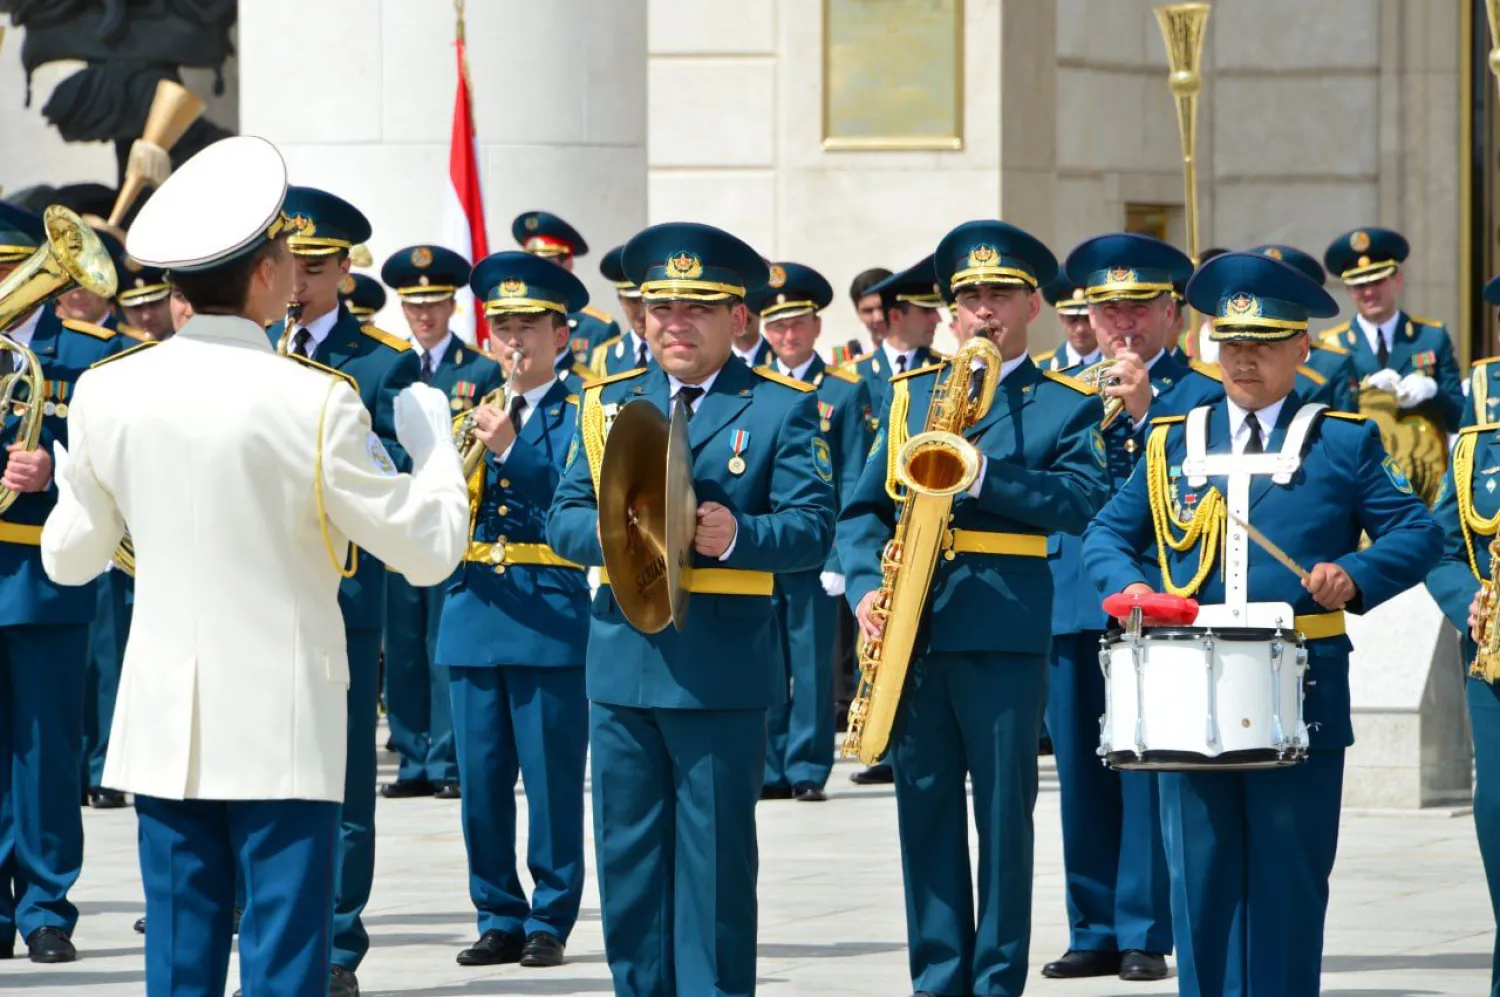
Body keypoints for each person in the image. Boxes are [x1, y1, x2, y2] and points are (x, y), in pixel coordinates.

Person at [38, 134, 470, 997]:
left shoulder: (108, 390)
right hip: (283, 723)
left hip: (166, 726)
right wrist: (437, 453)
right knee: (283, 961)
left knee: (179, 961)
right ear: (269, 274)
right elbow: (426, 552)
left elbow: (70, 557)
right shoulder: (316, 400)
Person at [1083, 250, 1441, 997]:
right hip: (1189, 694)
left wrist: (1356, 573)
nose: (1243, 359)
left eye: (1265, 342)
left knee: (1287, 885)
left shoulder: (1340, 441)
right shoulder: (1176, 439)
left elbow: (1418, 532)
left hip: (1300, 696)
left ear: (1301, 347)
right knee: (1201, 886)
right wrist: (1135, 589)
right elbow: (1107, 537)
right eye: (1230, 342)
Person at [547, 221, 835, 996]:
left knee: (713, 871)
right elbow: (564, 517)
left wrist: (739, 532)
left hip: (719, 672)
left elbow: (812, 527)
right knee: (630, 870)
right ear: (641, 317)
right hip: (622, 666)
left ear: (737, 319)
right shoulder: (606, 404)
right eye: (662, 307)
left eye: (697, 308)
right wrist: (627, 527)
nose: (676, 323)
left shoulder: (779, 408)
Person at [839, 220, 1111, 997]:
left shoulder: (1063, 402)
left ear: (1034, 304)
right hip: (916, 631)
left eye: (998, 294)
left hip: (1001, 628)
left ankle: (995, 980)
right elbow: (860, 514)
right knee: (921, 810)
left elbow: (1081, 500)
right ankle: (937, 976)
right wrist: (865, 589)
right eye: (967, 296)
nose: (981, 309)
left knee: (1002, 817)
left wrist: (985, 474)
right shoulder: (909, 397)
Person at [270, 185, 423, 997]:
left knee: (343, 777)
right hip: (258, 587)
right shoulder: (250, 347)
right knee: (259, 774)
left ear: (343, 269)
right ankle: (270, 934)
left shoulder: (381, 359)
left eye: (316, 265)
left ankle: (335, 945)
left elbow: (395, 468)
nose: (297, 279)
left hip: (345, 591)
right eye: (287, 262)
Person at [437, 251, 592, 970]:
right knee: (482, 783)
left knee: (553, 781)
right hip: (472, 608)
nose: (513, 339)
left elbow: (575, 498)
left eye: (528, 325)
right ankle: (497, 910)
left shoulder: (587, 409)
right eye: (502, 325)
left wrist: (514, 448)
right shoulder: (471, 400)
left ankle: (550, 917)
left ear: (563, 333)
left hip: (549, 615)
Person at [0, 200, 126, 964]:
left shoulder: (89, 354)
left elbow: (113, 461)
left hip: (45, 574)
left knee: (47, 752)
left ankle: (47, 906)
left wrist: (56, 469)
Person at [374, 244, 499, 801]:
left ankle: (447, 757)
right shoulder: (391, 366)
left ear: (452, 306)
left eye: (435, 304)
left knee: (440, 642)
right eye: (414, 305)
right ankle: (411, 756)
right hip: (401, 518)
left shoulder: (480, 369)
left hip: (455, 523)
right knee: (401, 644)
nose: (424, 315)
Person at [751, 263, 873, 803]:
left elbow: (851, 474)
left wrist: (841, 555)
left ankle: (806, 765)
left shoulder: (843, 392)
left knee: (813, 663)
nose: (788, 336)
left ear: (817, 327)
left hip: (816, 549)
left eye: (798, 324)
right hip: (762, 545)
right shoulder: (755, 386)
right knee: (766, 659)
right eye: (777, 326)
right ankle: (770, 764)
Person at [1426, 301, 1500, 994]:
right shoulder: (1479, 444)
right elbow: (1440, 549)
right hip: (1495, 659)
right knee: (1498, 811)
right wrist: (1466, 603)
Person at [1321, 227, 1462, 432]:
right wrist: (1363, 392)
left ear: (1398, 280)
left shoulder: (1431, 338)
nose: (1369, 292)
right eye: (1359, 285)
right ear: (1348, 290)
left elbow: (1461, 419)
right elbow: (1324, 422)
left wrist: (1433, 391)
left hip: (1420, 460)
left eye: (1377, 281)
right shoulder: (1333, 345)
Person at [1243, 245, 1359, 413]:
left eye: (1283, 300)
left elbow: (1347, 432)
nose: (1273, 309)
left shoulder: (1333, 365)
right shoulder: (1238, 363)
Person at [512, 209, 620, 357]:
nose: (537, 271)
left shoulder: (597, 330)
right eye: (530, 263)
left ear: (568, 263)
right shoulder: (510, 324)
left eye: (546, 263)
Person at [845, 257, 944, 415]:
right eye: (927, 310)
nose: (938, 319)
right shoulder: (852, 375)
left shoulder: (945, 371)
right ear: (896, 316)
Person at [1035, 273, 1098, 372]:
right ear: (1061, 318)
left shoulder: (1117, 366)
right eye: (1072, 319)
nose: (1080, 329)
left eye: (1087, 319)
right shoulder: (1041, 369)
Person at [117, 257, 175, 340]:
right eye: (136, 308)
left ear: (171, 301)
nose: (146, 317)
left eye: (154, 304)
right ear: (124, 311)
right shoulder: (115, 349)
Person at [848, 266, 892, 352]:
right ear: (858, 313)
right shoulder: (840, 361)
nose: (878, 318)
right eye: (868, 311)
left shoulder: (923, 352)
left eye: (883, 308)